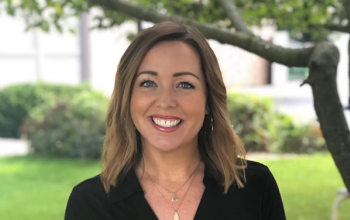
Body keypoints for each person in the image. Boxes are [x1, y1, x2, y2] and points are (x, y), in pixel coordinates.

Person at [64, 21, 286, 220]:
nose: (165, 101)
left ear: (208, 100)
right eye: (148, 83)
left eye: (184, 85)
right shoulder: (89, 204)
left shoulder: (255, 187)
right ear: (127, 97)